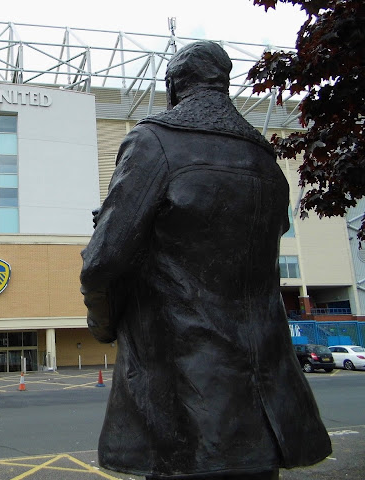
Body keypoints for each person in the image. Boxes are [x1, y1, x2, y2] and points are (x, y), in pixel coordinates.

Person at [80, 41, 331, 480]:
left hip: (185, 402)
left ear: (173, 86)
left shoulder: (155, 142)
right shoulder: (264, 160)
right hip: (267, 403)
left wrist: (102, 323)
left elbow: (102, 262)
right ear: (223, 83)